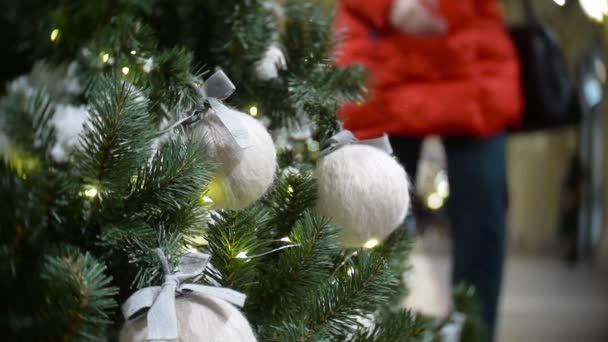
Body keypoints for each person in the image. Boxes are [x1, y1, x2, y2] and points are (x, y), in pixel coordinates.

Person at [334, 0, 523, 340]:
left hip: (471, 59)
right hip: (382, 56)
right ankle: (353, 327)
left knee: (483, 214)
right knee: (362, 207)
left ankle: (474, 333)